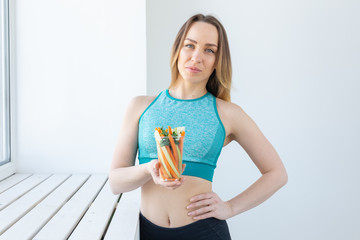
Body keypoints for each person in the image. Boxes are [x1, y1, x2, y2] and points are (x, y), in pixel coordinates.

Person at [109, 14, 288, 240]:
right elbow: (116, 181)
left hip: (205, 233)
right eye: (190, 46)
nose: (196, 57)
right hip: (147, 232)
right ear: (177, 50)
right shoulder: (140, 107)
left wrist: (230, 207)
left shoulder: (228, 113)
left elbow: (277, 173)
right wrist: (147, 170)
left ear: (217, 61)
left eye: (209, 50)